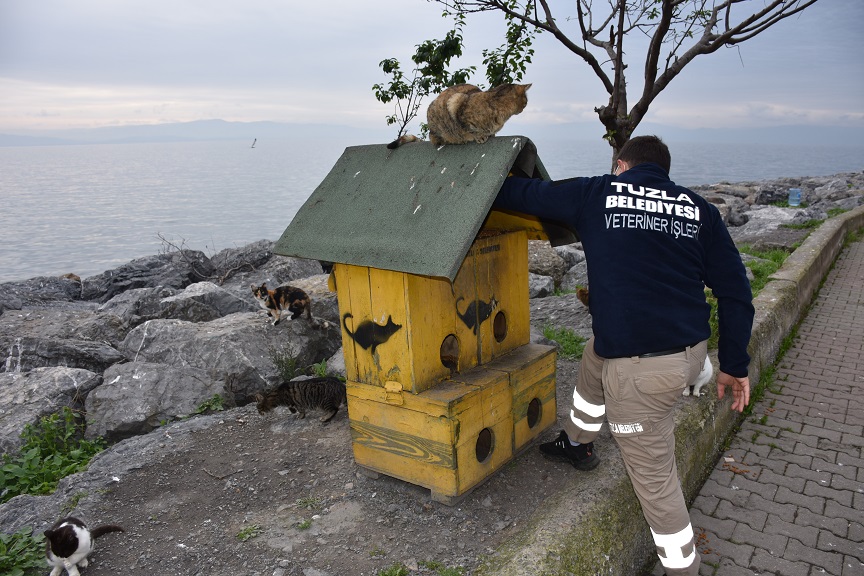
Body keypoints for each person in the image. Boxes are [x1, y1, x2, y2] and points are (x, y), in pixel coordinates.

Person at [493, 135, 754, 576]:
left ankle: (683, 569)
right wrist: (733, 365)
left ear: (621, 166)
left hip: (645, 376)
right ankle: (578, 443)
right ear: (663, 172)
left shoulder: (597, 192)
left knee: (656, 482)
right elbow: (736, 293)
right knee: (596, 355)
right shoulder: (698, 210)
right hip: (689, 354)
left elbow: (517, 193)